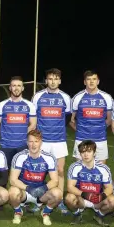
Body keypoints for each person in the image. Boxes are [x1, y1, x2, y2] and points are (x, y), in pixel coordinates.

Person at [31, 68, 72, 204]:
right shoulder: (38, 96)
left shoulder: (65, 97)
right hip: (43, 141)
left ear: (59, 81)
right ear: (46, 80)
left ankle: (59, 200)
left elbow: (67, 118)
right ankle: (38, 199)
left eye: (55, 79)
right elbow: (33, 117)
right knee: (40, 172)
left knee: (60, 170)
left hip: (59, 141)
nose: (53, 81)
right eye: (50, 78)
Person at [8, 129, 63, 226]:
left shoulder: (49, 158)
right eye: (31, 141)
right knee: (12, 192)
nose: (33, 145)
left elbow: (55, 180)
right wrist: (28, 188)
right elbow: (13, 180)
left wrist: (44, 188)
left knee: (58, 193)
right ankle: (18, 211)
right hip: (24, 191)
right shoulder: (19, 156)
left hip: (40, 193)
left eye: (36, 141)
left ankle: (45, 212)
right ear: (27, 142)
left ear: (41, 142)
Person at [65, 140, 114, 227]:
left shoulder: (103, 168)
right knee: (69, 198)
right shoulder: (74, 167)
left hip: (97, 199)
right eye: (83, 152)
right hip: (81, 198)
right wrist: (84, 194)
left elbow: (109, 187)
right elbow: (70, 187)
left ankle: (99, 215)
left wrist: (102, 196)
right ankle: (78, 214)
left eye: (89, 151)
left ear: (94, 153)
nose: (86, 155)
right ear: (80, 154)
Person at [70, 70, 114, 164]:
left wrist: (99, 129)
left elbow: (109, 119)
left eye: (94, 79)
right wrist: (82, 130)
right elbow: (72, 120)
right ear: (84, 82)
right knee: (80, 171)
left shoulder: (107, 97)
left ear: (98, 81)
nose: (91, 81)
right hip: (81, 139)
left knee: (100, 171)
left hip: (100, 140)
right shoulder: (77, 98)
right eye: (88, 79)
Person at [0, 76, 36, 167]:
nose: (16, 88)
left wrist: (22, 135)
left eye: (18, 85)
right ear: (10, 88)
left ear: (22, 88)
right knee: (4, 175)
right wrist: (5, 135)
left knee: (22, 175)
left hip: (23, 146)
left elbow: (33, 124)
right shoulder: (1, 105)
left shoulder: (30, 105)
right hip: (6, 146)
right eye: (14, 85)